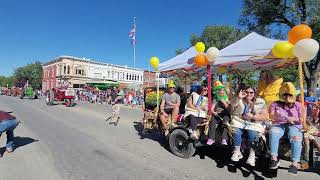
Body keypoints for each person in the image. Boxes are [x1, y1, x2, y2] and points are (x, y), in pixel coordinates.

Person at [268, 82, 303, 175]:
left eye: (289, 94)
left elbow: (302, 119)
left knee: (296, 138)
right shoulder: (275, 104)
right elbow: (271, 117)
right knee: (273, 132)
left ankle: (295, 164)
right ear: (281, 94)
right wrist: (278, 116)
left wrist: (294, 119)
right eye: (285, 94)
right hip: (279, 125)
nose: (287, 96)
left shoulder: (298, 104)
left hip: (294, 125)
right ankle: (274, 159)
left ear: (293, 94)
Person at [229, 85, 268, 166]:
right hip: (239, 121)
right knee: (235, 131)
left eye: (251, 92)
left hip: (254, 123)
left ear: (254, 93)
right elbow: (232, 106)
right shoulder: (239, 99)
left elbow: (264, 116)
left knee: (252, 133)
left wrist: (253, 117)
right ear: (243, 92)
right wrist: (238, 98)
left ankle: (252, 155)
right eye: (247, 92)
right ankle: (237, 152)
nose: (249, 94)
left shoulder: (260, 101)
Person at [207, 81, 230, 145]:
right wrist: (215, 113)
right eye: (220, 93)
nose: (222, 95)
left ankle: (224, 138)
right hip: (217, 114)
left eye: (223, 93)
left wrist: (224, 103)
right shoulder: (215, 99)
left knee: (226, 121)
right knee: (212, 121)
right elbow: (211, 109)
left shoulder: (226, 99)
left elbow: (229, 109)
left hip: (225, 113)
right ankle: (211, 138)